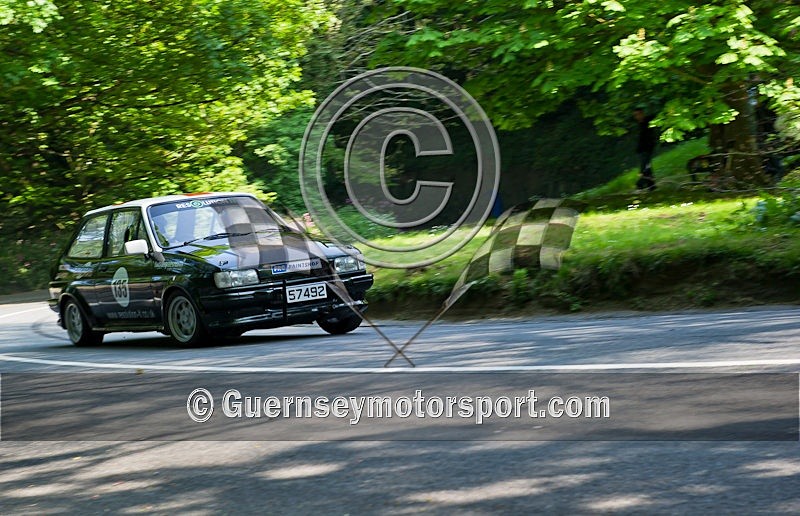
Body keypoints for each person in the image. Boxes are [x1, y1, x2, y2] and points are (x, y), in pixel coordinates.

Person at [633, 107, 658, 191]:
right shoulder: (639, 124)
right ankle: (651, 185)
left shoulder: (647, 121)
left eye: (638, 114)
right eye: (635, 115)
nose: (637, 117)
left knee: (645, 167)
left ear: (642, 114)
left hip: (647, 148)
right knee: (647, 167)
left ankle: (640, 184)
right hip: (641, 149)